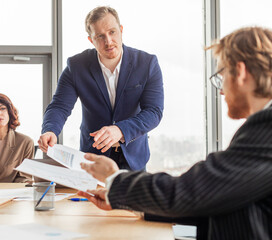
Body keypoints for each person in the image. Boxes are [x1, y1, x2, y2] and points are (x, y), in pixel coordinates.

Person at [78, 26, 272, 240]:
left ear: (241, 72)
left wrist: (114, 179)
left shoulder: (267, 127)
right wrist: (127, 201)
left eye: (221, 75)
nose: (221, 90)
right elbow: (217, 201)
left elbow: (195, 191)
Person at [38, 6, 164, 171]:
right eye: (100, 36)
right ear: (91, 39)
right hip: (93, 157)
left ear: (121, 30)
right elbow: (59, 106)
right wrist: (50, 130)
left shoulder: (147, 63)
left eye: (112, 32)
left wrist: (120, 130)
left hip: (134, 157)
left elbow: (154, 112)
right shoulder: (76, 66)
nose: (108, 41)